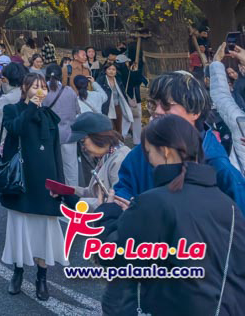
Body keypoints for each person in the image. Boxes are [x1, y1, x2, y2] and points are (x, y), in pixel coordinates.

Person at [103, 70, 245, 316]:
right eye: (153, 103)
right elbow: (124, 188)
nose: (157, 111)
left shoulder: (218, 166)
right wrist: (124, 206)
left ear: (195, 112)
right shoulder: (140, 153)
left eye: (167, 106)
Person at [0, 73, 66, 301]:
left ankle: (41, 278)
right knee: (21, 228)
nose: (40, 90)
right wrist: (30, 107)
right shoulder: (13, 110)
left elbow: (57, 153)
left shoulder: (50, 116)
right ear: (25, 88)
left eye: (44, 87)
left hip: (46, 183)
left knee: (44, 231)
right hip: (22, 180)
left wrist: (61, 185)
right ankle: (17, 272)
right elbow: (15, 129)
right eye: (35, 86)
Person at [59, 112, 126, 210]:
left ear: (98, 137)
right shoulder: (107, 156)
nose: (83, 148)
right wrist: (67, 191)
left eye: (82, 141)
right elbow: (93, 192)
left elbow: (117, 202)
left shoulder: (120, 160)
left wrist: (78, 201)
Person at [43, 64, 80, 187]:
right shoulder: (69, 91)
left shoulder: (42, 92)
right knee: (71, 168)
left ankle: (53, 192)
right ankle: (73, 193)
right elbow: (77, 111)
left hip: (50, 136)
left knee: (51, 167)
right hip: (69, 135)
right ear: (61, 75)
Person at [97, 61, 133, 138]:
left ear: (116, 72)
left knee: (119, 127)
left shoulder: (118, 80)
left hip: (117, 106)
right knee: (110, 128)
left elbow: (123, 94)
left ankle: (120, 144)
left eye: (113, 69)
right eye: (109, 69)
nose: (111, 71)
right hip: (106, 107)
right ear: (105, 70)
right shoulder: (101, 80)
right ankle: (111, 145)